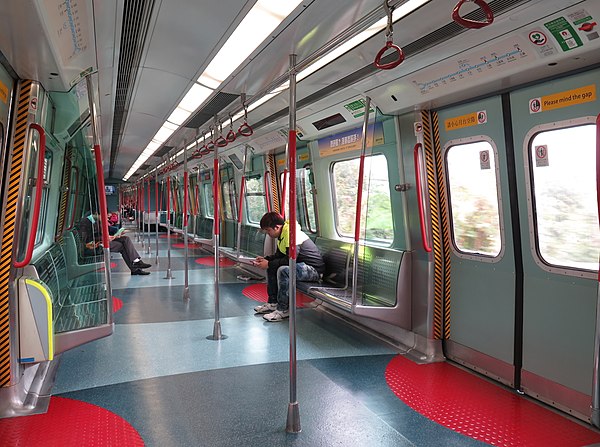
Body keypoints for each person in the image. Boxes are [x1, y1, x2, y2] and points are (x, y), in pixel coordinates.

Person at [252, 212, 324, 322]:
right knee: (272, 266)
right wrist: (266, 259)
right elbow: (279, 256)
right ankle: (273, 303)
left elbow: (290, 259)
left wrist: (269, 263)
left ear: (276, 227)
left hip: (313, 270)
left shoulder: (292, 234)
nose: (267, 234)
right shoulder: (282, 235)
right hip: (300, 267)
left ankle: (284, 309)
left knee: (283, 270)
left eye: (268, 230)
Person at [78, 211, 151, 275]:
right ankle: (135, 268)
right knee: (122, 246)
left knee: (126, 239)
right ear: (97, 213)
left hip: (102, 240)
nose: (105, 218)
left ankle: (136, 261)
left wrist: (117, 233)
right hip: (96, 246)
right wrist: (105, 238)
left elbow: (105, 230)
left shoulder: (96, 220)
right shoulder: (85, 223)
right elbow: (87, 240)